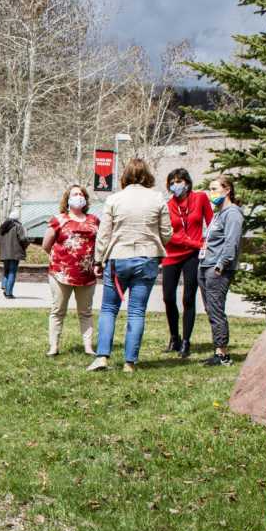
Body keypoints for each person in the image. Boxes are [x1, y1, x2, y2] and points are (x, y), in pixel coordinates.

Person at [88, 158, 170, 373]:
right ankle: (129, 362)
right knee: (137, 311)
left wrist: (98, 260)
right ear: (147, 175)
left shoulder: (115, 199)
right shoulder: (157, 198)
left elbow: (104, 234)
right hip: (147, 257)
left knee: (108, 309)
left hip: (119, 258)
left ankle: (102, 357)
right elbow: (168, 232)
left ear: (125, 176)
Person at [160, 168, 213, 358]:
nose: (176, 185)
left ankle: (185, 341)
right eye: (172, 182)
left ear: (187, 183)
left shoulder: (200, 198)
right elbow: (168, 234)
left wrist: (206, 243)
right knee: (168, 296)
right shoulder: (167, 206)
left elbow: (212, 223)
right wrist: (193, 242)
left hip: (193, 255)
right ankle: (174, 337)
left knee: (188, 298)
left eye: (179, 181)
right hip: (172, 254)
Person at [42, 183, 100, 356]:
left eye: (81, 194)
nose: (78, 197)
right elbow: (46, 244)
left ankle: (88, 347)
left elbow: (100, 243)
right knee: (58, 310)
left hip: (87, 275)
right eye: (74, 194)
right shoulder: (58, 219)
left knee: (86, 312)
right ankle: (54, 346)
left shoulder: (94, 220)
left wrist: (97, 263)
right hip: (61, 274)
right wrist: (58, 259)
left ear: (86, 199)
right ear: (67, 199)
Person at [197, 175, 245, 367]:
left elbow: (231, 241)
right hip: (205, 264)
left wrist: (221, 264)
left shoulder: (233, 213)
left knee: (216, 309)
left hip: (217, 268)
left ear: (227, 190)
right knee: (211, 309)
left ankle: (223, 354)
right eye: (210, 189)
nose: (212, 193)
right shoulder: (218, 213)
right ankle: (217, 350)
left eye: (215, 189)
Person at [0, 215, 30, 299]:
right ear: (17, 218)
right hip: (15, 253)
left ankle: (4, 285)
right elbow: (23, 239)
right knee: (12, 272)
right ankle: (8, 293)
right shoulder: (18, 226)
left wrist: (2, 248)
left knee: (6, 270)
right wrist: (26, 244)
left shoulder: (2, 226)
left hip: (5, 253)